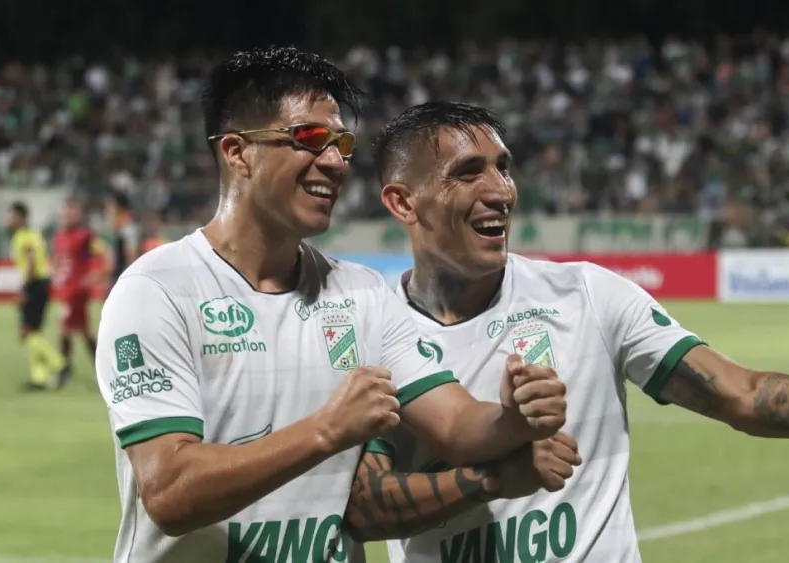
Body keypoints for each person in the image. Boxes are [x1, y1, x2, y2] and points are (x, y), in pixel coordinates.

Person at [342, 101, 789, 562]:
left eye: (503, 168)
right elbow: (364, 508)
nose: (500, 191)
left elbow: (739, 393)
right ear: (402, 203)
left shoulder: (587, 295)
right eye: (467, 173)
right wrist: (494, 476)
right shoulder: (371, 331)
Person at [94, 48, 574, 563]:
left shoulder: (361, 294)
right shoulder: (159, 290)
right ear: (237, 153)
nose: (335, 162)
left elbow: (457, 426)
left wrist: (514, 419)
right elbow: (169, 492)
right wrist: (325, 431)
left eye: (342, 143)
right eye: (309, 139)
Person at [6, 202, 70, 391]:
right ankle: (39, 377)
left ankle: (60, 364)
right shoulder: (33, 235)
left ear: (20, 217)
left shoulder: (23, 237)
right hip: (42, 284)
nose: (8, 220)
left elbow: (32, 262)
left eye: (11, 216)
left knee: (28, 331)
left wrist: (25, 289)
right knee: (34, 332)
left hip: (35, 284)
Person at [51, 199, 102, 378]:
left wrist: (96, 273)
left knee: (65, 327)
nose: (67, 217)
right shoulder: (59, 237)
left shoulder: (84, 236)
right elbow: (59, 259)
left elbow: (100, 255)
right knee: (84, 331)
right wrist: (56, 272)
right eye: (65, 214)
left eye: (71, 214)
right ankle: (101, 369)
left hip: (78, 290)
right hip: (66, 289)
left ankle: (64, 369)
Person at [104, 191, 140, 289]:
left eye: (109, 208)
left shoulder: (129, 229)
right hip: (117, 279)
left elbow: (132, 256)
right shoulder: (117, 230)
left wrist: (129, 282)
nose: (107, 212)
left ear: (118, 208)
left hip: (124, 280)